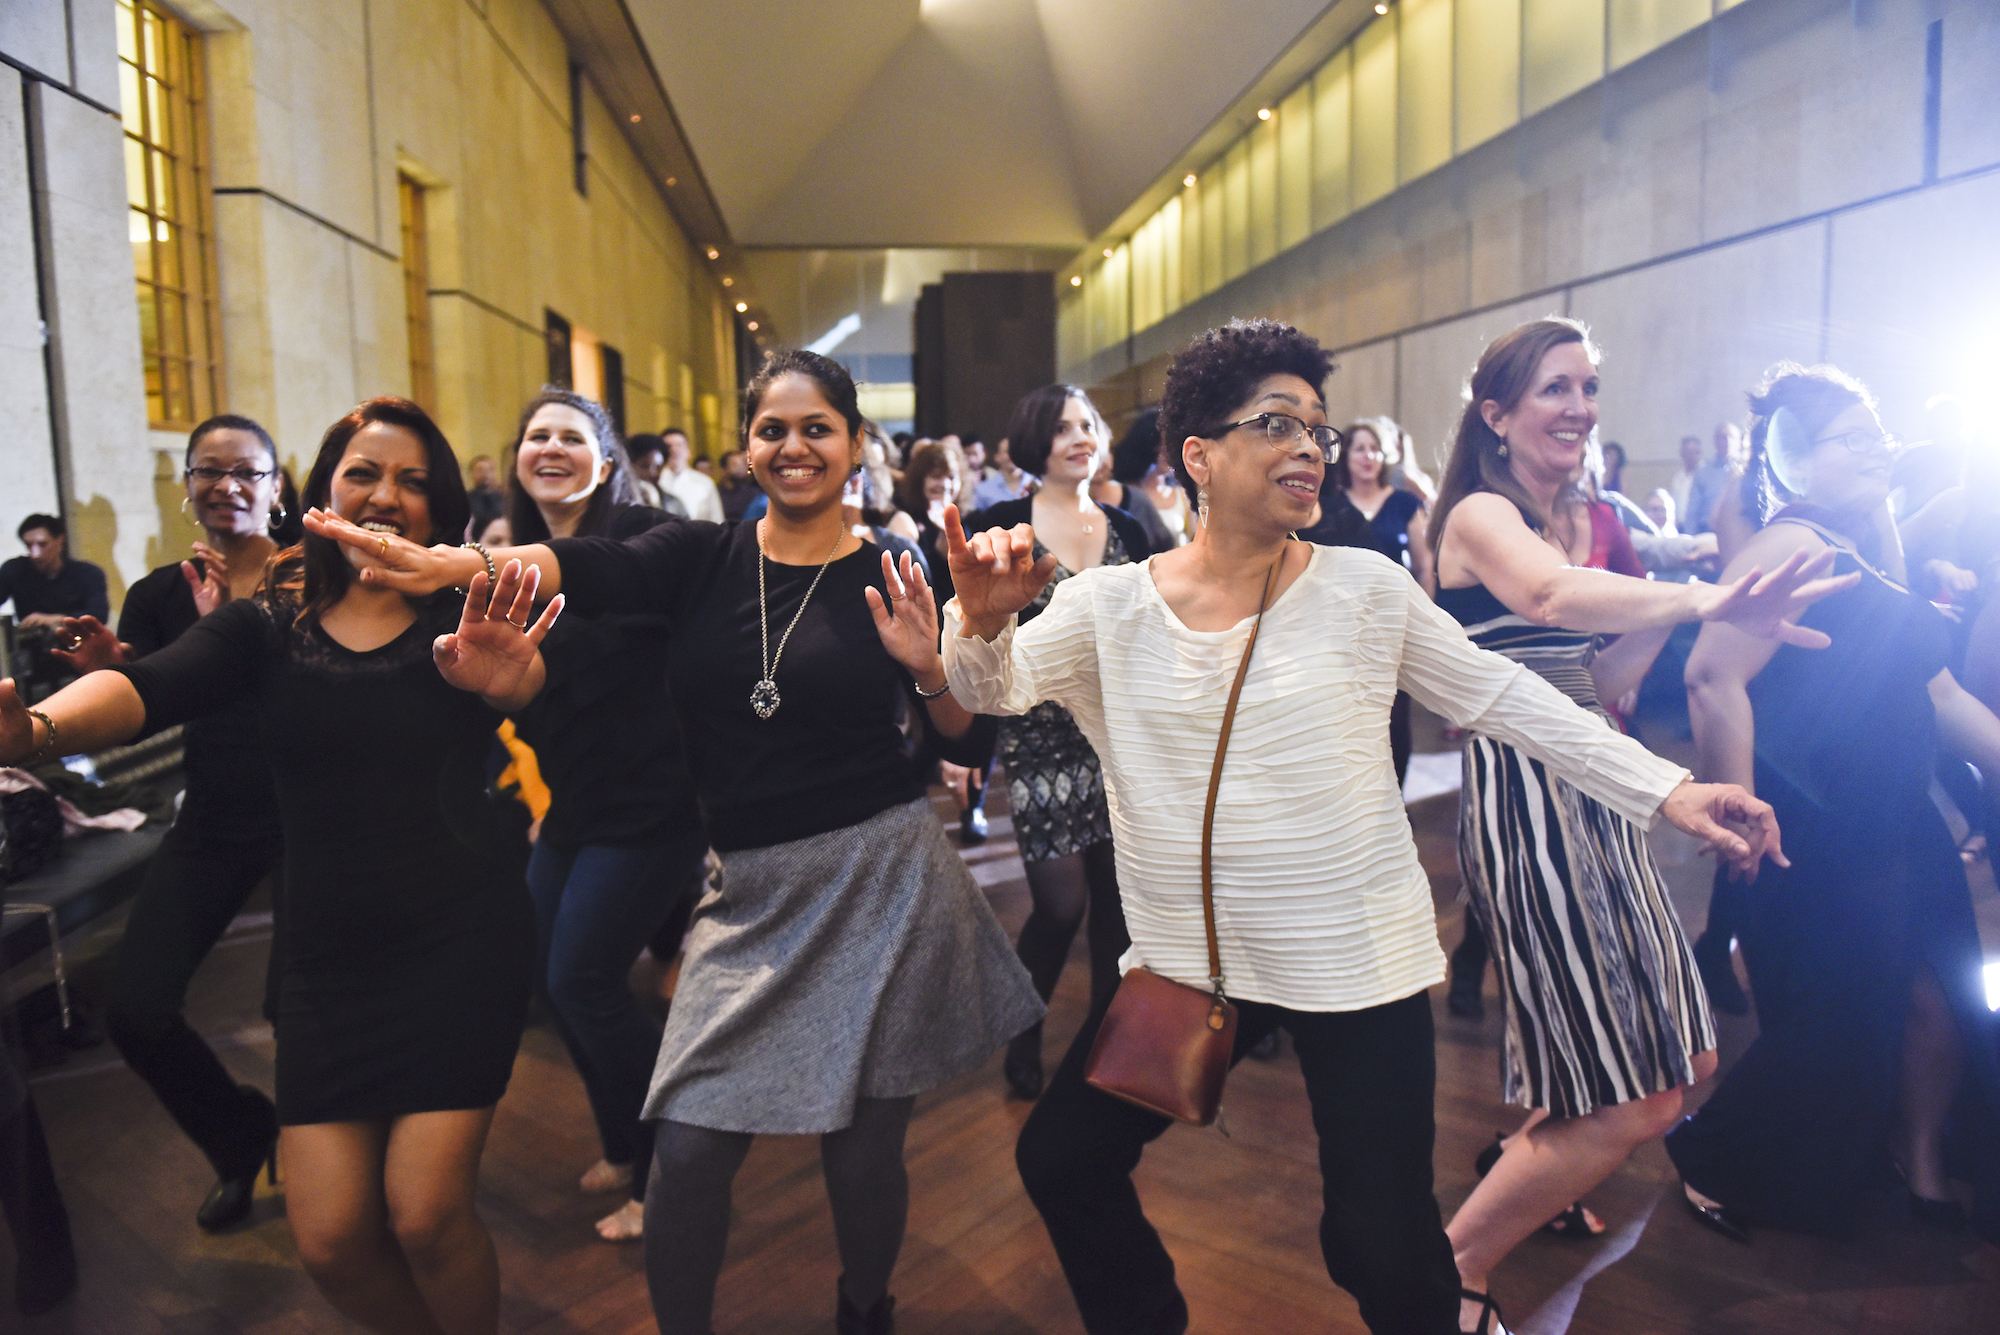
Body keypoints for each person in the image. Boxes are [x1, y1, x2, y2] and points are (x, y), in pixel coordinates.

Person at [943, 318, 1794, 1335]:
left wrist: (1667, 790)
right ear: (1195, 458)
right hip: (1193, 961)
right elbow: (988, 692)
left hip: (1353, 962)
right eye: (1276, 424)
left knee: (1379, 1247)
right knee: (1061, 1158)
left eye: (1316, 424)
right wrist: (977, 622)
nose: (1307, 445)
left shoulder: (1361, 589)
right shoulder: (1111, 605)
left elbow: (1502, 697)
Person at [306, 350, 1042, 1335]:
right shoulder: (698, 556)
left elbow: (961, 737)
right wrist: (457, 564)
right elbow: (582, 565)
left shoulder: (889, 570)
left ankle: (864, 1309)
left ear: (854, 445)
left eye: (815, 428)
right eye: (772, 429)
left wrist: (937, 665)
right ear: (746, 449)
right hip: (746, 891)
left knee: (863, 1148)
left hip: (882, 876)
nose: (792, 447)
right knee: (690, 1149)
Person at [2, 397, 554, 1334]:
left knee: (426, 1214)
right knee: (332, 1237)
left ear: (443, 507)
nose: (386, 494)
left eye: (414, 479)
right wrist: (41, 728)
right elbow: (148, 684)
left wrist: (527, 688)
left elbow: (558, 703)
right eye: (363, 473)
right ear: (322, 496)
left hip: (460, 944)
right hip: (330, 959)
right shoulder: (270, 624)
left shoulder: (473, 618)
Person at [1427, 318, 1851, 1330]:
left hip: (1600, 790)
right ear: (1494, 414)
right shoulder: (1480, 517)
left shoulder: (1554, 517)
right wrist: (1701, 591)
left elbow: (1598, 680)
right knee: (1635, 1094)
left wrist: (1714, 621)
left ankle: (1523, 1173)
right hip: (1528, 809)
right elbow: (1542, 593)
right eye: (1553, 390)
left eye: (1587, 387)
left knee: (1684, 1060)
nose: (1578, 408)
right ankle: (1452, 1267)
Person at [1668, 364, 2000, 1246]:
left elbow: (1940, 700)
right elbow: (1710, 676)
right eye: (1856, 438)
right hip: (1831, 827)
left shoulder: (1863, 550)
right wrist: (1738, 812)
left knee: (1939, 1001)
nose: (1879, 448)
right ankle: (1716, 1159)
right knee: (1845, 1019)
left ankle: (1918, 1158)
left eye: (1876, 433)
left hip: (1899, 820)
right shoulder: (1790, 545)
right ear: (1797, 457)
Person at [46, 415, 289, 1235]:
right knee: (137, 1008)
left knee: (300, 1004)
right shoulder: (159, 595)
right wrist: (115, 673)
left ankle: (335, 1158)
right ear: (187, 486)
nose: (228, 484)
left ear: (277, 486)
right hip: (217, 817)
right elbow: (143, 708)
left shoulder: (308, 579)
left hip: (315, 818)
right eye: (208, 470)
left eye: (247, 471)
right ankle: (242, 1136)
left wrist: (242, 624)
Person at [503, 388, 710, 1243]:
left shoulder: (638, 541)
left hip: (653, 806)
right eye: (536, 436)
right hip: (575, 807)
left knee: (585, 979)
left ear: (606, 458)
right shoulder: (513, 562)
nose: (550, 448)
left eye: (570, 437)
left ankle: (669, 1166)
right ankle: (625, 1144)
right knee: (551, 979)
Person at [966, 384, 1148, 1102]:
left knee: (1116, 905)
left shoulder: (1130, 529)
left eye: (1089, 425)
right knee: (1060, 905)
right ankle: (1023, 1031)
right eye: (1063, 426)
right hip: (1040, 734)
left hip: (1118, 736)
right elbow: (980, 635)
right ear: (1035, 440)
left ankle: (1104, 1050)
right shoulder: (1002, 524)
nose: (1080, 436)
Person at [1, 515, 109, 629]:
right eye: (29, 545)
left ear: (59, 540)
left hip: (75, 642)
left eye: (43, 544)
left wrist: (55, 619)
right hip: (30, 643)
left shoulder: (87, 574)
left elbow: (98, 615)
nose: (35, 554)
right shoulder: (15, 570)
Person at [1110, 408, 1194, 548]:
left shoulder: (1182, 495)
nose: (1171, 453)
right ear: (1148, 446)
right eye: (1165, 446)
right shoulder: (1123, 493)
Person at [1684, 423, 1744, 536]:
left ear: (1740, 442)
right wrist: (1690, 539)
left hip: (1739, 532)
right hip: (1708, 533)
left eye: (1732, 437)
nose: (1727, 442)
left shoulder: (1748, 470)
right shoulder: (1702, 472)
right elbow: (1692, 511)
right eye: (1723, 437)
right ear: (1715, 442)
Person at [658, 426, 724, 522]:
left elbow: (717, 518)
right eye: (669, 446)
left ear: (688, 451)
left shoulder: (704, 482)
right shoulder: (656, 481)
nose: (674, 450)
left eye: (679, 445)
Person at [972, 437, 1034, 509]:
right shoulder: (983, 490)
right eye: (1007, 451)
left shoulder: (1037, 485)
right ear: (997, 457)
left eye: (1016, 451)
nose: (1013, 455)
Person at [715, 448, 761, 521]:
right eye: (735, 465)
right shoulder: (716, 493)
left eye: (742, 465)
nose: (740, 469)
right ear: (723, 469)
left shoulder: (753, 493)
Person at [467, 454, 507, 535]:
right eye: (480, 470)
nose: (485, 474)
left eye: (489, 470)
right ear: (471, 473)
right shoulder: (465, 500)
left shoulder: (506, 499)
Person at [1668, 433, 1703, 522]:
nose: (1691, 456)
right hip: (1681, 526)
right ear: (1682, 454)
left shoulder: (1705, 476)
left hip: (1700, 527)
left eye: (1694, 452)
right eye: (1688, 452)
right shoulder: (1677, 478)